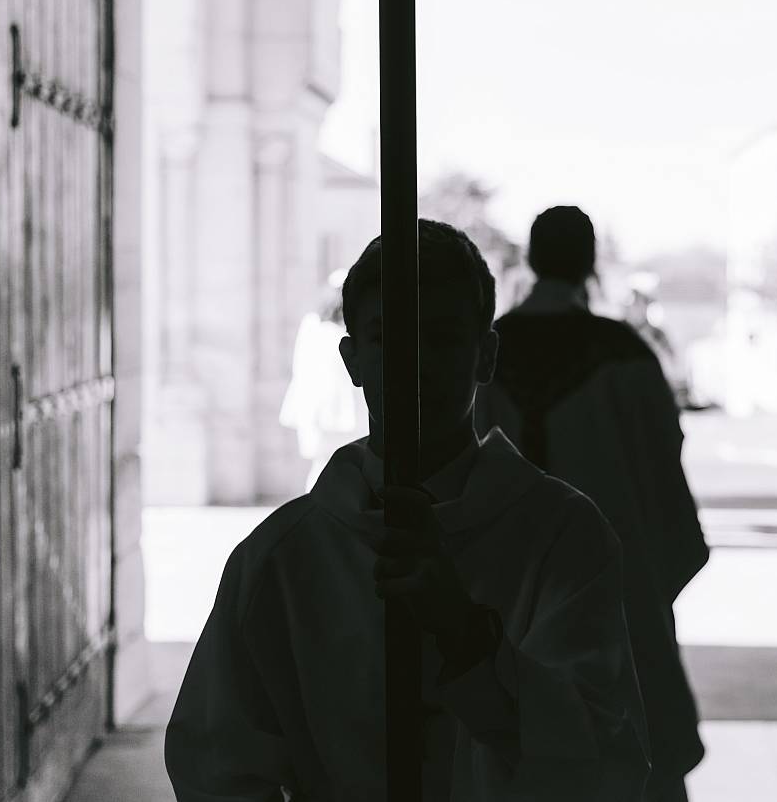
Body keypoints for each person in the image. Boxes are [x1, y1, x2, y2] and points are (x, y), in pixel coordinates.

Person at [166, 220, 651, 801]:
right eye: (388, 338)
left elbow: (607, 763)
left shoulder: (563, 538)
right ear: (352, 360)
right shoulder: (280, 559)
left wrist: (469, 639)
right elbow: (216, 765)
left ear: (485, 354)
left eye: (442, 336)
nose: (414, 364)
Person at [473, 205, 709, 802]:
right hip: (618, 582)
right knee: (635, 750)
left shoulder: (486, 355)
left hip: (504, 586)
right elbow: (663, 473)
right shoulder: (625, 357)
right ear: (590, 263)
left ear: (531, 259)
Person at [279, 272, 366, 491]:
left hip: (334, 407)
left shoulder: (322, 326)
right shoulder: (316, 325)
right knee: (324, 464)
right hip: (325, 407)